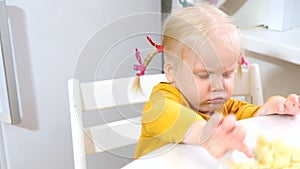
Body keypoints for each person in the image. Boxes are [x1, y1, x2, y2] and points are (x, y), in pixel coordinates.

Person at [132, 5, 300, 160]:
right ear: (171, 72)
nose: (218, 86)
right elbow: (171, 115)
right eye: (204, 75)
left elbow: (252, 117)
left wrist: (274, 108)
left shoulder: (222, 106)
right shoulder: (161, 103)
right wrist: (208, 135)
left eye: (226, 74)